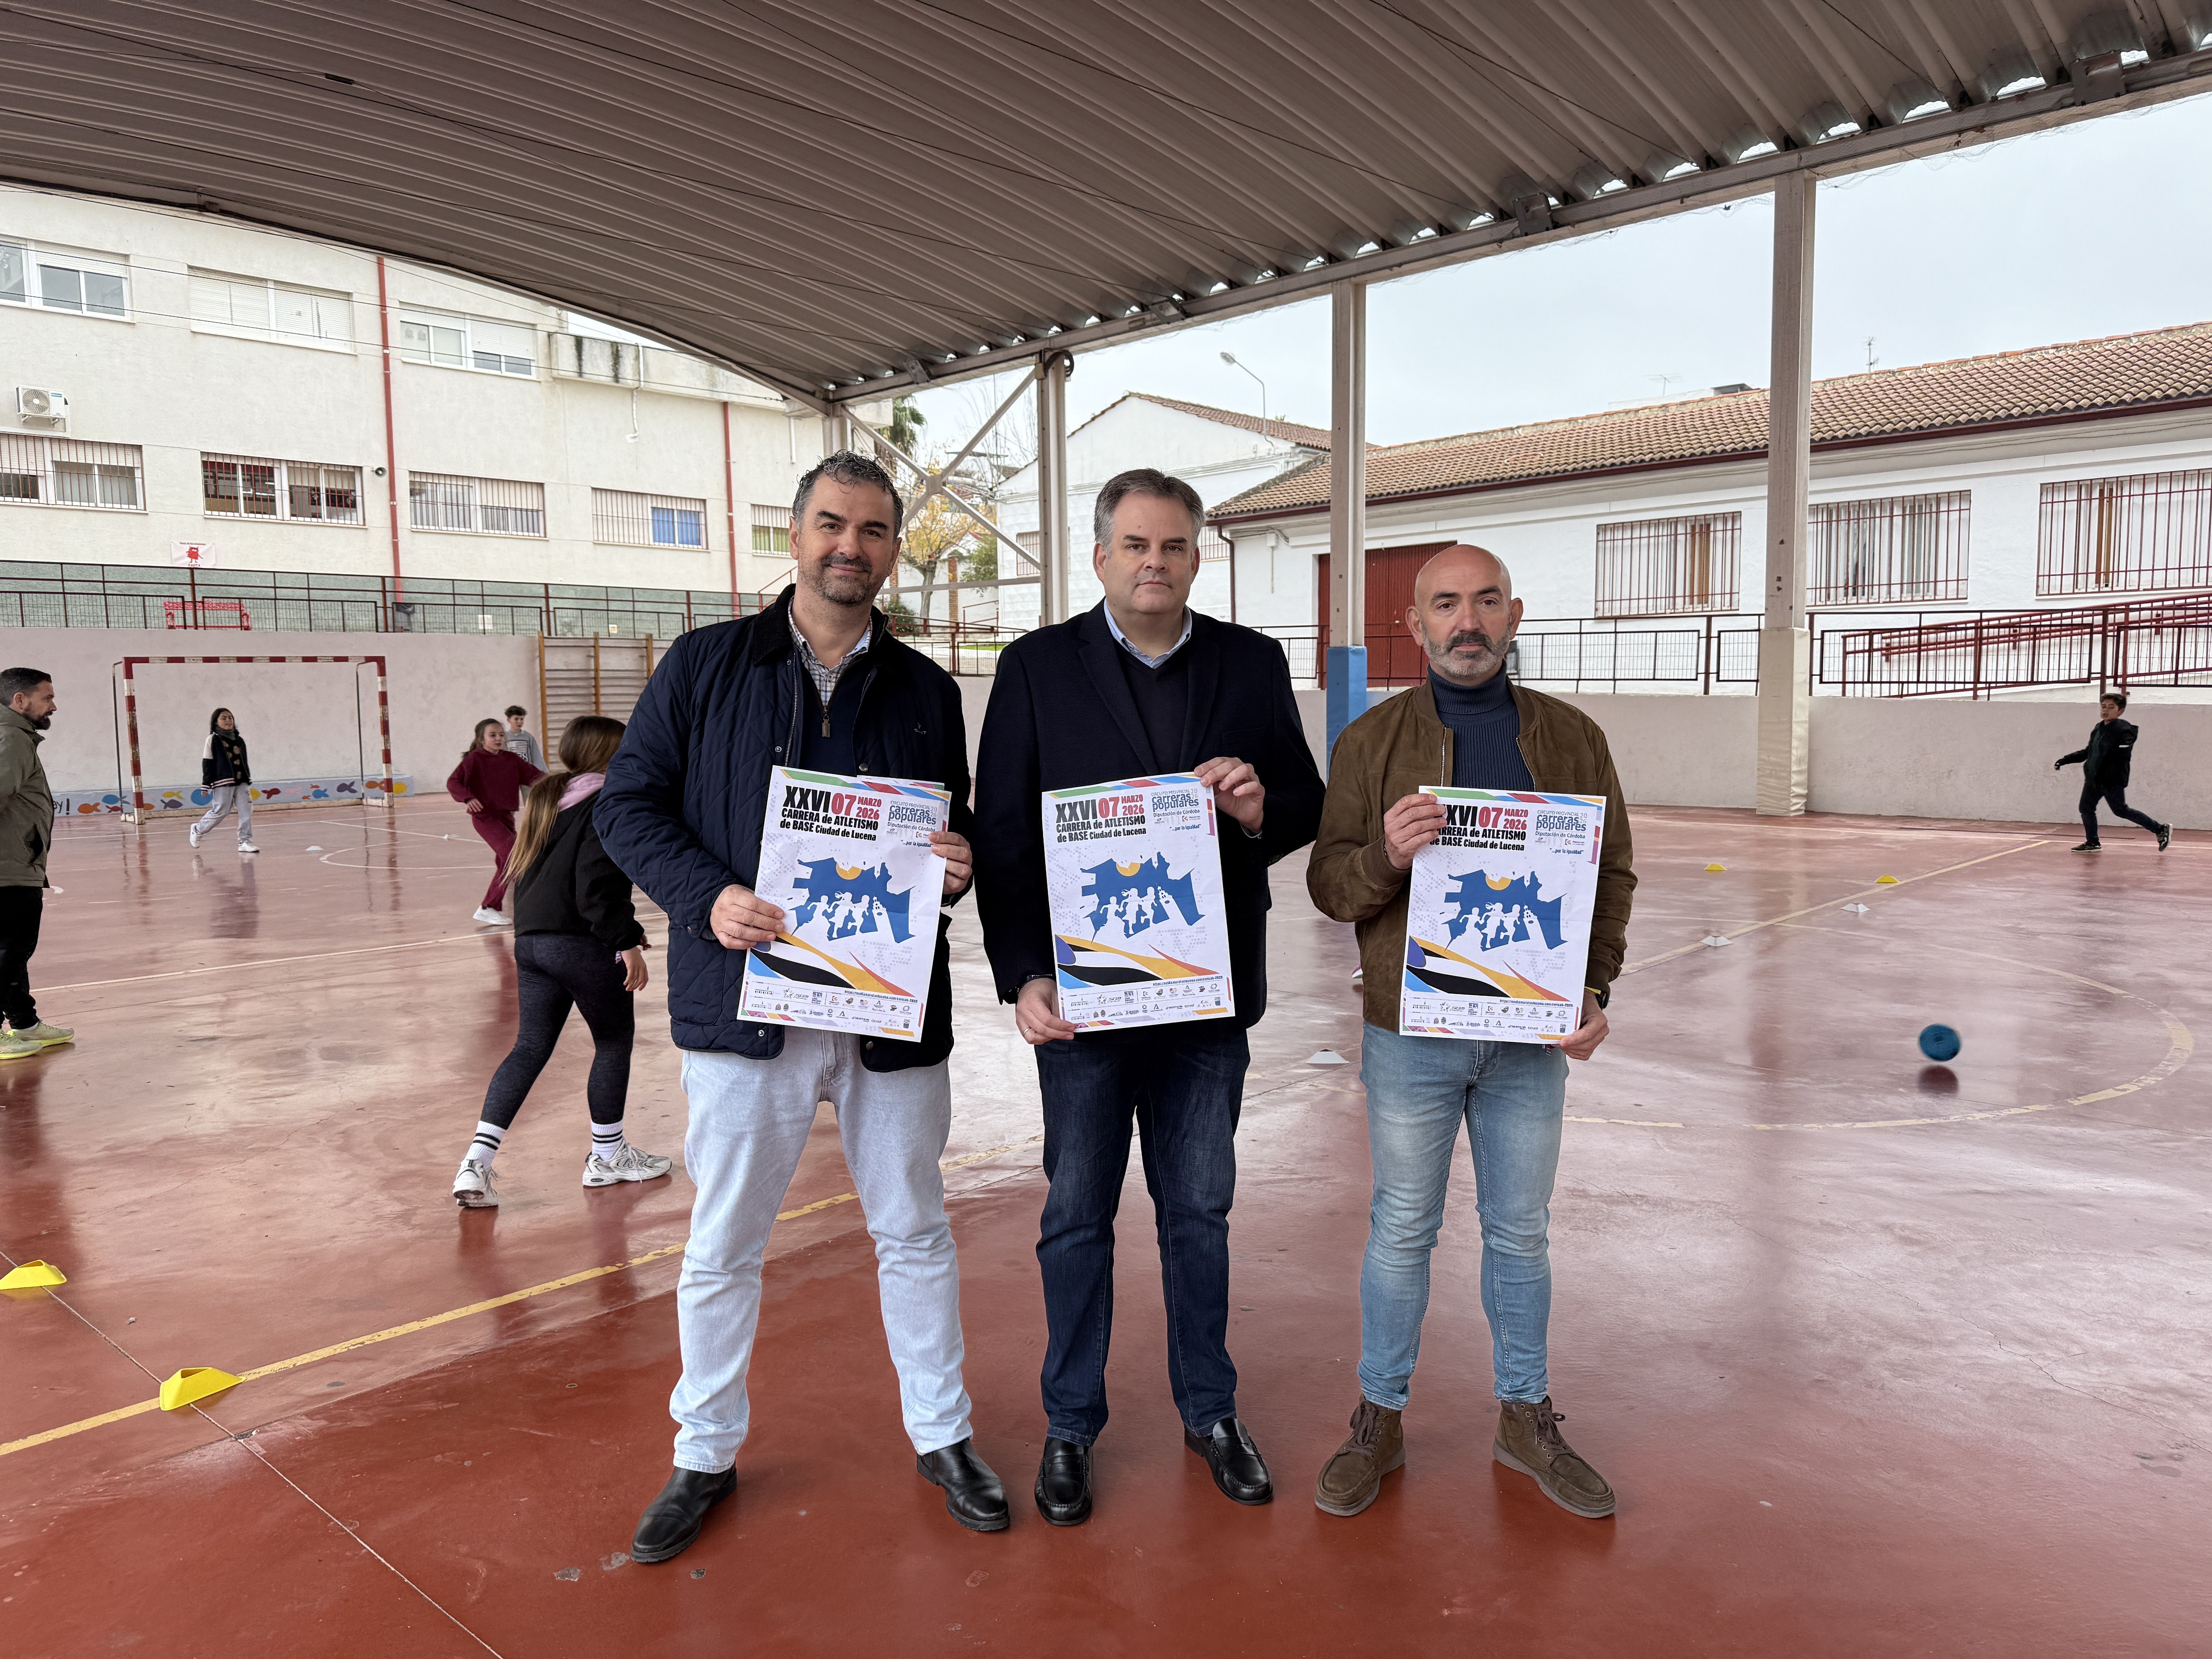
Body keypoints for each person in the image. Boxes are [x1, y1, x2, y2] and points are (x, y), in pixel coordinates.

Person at [597, 450, 1004, 1563]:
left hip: (889, 1015)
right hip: (746, 1009)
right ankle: (704, 1451)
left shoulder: (926, 688)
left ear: (889, 549)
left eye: (874, 531)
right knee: (723, 1241)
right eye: (832, 523)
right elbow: (625, 808)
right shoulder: (704, 665)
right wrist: (708, 894)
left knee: (914, 1230)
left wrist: (957, 862)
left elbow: (945, 830)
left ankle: (944, 1432)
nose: (850, 547)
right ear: (792, 535)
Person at [972, 468, 1325, 1525]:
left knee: (1199, 1213)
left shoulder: (1250, 663)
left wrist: (1263, 807)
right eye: (1135, 545)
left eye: (1172, 545)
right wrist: (1023, 972)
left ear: (1196, 557)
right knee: (1076, 1213)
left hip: (1206, 1007)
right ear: (1100, 556)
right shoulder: (1035, 667)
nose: (1154, 562)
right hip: (1082, 1004)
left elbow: (1305, 801)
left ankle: (1209, 1407)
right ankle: (1071, 1422)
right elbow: (1001, 837)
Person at [1305, 544, 1635, 1523]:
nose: (1468, 622)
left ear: (1516, 613)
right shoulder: (1370, 743)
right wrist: (1386, 858)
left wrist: (1592, 987)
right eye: (1446, 605)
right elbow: (1330, 886)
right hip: (1411, 1033)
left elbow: (1610, 873)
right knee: (1403, 1226)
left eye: (1486, 601)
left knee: (1520, 1232)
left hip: (1531, 1039)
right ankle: (1381, 1415)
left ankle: (1525, 1415)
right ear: (1414, 626)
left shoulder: (1573, 739)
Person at [452, 714, 669, 1209]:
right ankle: (607, 1155)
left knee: (529, 1049)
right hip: (582, 943)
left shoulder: (552, 800)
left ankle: (476, 1165)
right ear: (612, 755)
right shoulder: (606, 800)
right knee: (614, 1041)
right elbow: (596, 883)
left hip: (531, 943)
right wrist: (626, 941)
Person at [0, 668, 71, 1061]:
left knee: (14, 950)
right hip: (9, 865)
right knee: (12, 949)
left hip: (16, 860)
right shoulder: (12, 738)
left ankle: (25, 1023)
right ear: (20, 700)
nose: (54, 706)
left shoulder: (13, 736)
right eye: (47, 697)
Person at [448, 718, 544, 926]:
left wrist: (563, 782)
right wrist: (468, 797)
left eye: (502, 735)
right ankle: (529, 902)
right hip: (485, 818)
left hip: (506, 817)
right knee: (515, 855)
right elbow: (453, 782)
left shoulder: (512, 760)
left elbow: (536, 776)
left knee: (506, 862)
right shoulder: (474, 759)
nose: (499, 738)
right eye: (493, 735)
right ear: (481, 739)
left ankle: (489, 907)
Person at [2057, 691, 2170, 853]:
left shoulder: (2124, 730)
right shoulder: (2099, 728)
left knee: (2121, 810)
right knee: (2086, 809)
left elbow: (2122, 754)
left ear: (2121, 711)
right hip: (2093, 779)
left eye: (2111, 707)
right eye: (2103, 706)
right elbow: (2090, 751)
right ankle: (2093, 843)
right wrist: (2066, 760)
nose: (2106, 710)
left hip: (2111, 780)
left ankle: (2160, 829)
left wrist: (2118, 754)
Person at [189, 708, 259, 854]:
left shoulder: (239, 740)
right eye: (224, 718)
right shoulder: (213, 740)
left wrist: (247, 777)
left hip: (242, 781)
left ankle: (245, 841)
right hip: (223, 781)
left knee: (246, 809)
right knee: (222, 810)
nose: (228, 721)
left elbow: (243, 761)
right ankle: (198, 829)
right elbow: (208, 763)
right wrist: (206, 784)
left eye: (230, 718)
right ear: (216, 722)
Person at [503, 705, 544, 771]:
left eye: (522, 719)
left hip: (526, 771)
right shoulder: (504, 737)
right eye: (516, 719)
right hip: (510, 771)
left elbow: (536, 757)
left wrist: (542, 773)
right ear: (509, 720)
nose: (520, 722)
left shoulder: (528, 737)